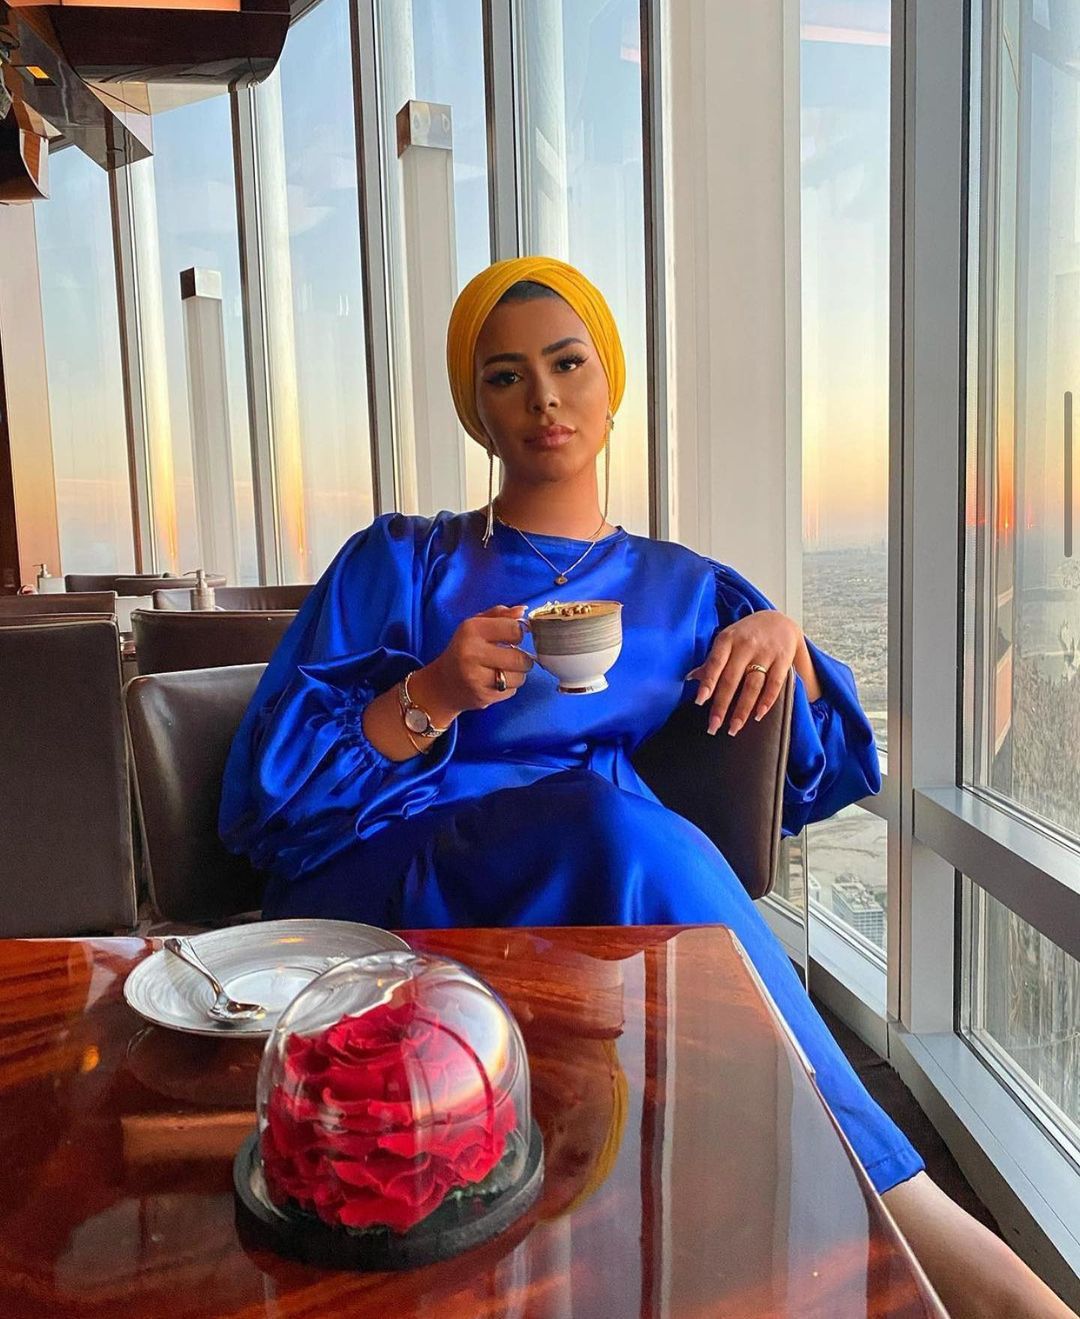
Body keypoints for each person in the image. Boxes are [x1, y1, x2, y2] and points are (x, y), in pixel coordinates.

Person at [221, 256, 1075, 1318]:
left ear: (610, 384)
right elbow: (267, 800)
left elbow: (818, 770)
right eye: (505, 376)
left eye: (567, 364)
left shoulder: (682, 588)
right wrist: (432, 692)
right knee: (614, 822)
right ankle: (923, 1221)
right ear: (478, 409)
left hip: (590, 891)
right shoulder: (401, 561)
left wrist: (788, 646)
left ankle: (793, 1234)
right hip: (398, 872)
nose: (543, 397)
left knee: (614, 826)